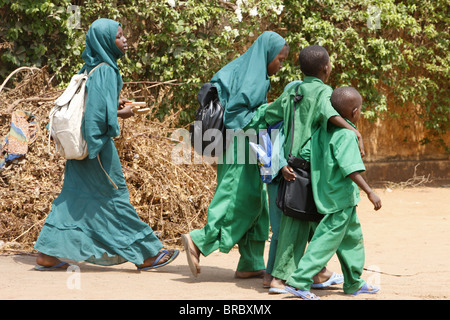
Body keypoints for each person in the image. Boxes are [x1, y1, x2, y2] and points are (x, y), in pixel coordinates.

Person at [34, 18, 178, 271]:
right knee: (115, 197)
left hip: (81, 147)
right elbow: (97, 117)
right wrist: (121, 115)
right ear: (105, 41)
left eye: (124, 35)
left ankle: (48, 252)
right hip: (96, 149)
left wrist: (115, 104)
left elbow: (94, 103)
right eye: (119, 36)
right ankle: (146, 254)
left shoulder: (92, 66)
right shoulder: (107, 70)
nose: (125, 41)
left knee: (73, 197)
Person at [182, 31, 290, 278]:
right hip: (239, 143)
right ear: (268, 54)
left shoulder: (246, 69)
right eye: (280, 59)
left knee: (257, 201)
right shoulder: (253, 77)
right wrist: (273, 110)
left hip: (247, 143)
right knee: (235, 197)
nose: (280, 66)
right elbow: (238, 116)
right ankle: (199, 240)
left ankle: (251, 262)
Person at [264, 45, 365, 293]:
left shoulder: (293, 90)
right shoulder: (324, 92)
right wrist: (356, 131)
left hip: (291, 165)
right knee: (306, 224)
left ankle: (310, 274)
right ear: (326, 68)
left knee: (301, 222)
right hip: (310, 169)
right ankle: (285, 278)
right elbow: (330, 114)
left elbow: (269, 115)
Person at [285, 86, 382, 300]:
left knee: (351, 239)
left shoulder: (320, 132)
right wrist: (370, 192)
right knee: (325, 240)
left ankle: (354, 282)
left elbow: (305, 154)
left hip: (327, 196)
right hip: (340, 199)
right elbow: (351, 169)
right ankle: (299, 281)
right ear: (355, 112)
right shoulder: (346, 135)